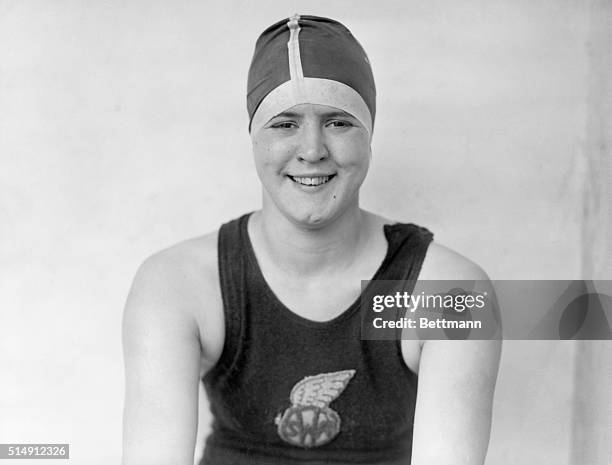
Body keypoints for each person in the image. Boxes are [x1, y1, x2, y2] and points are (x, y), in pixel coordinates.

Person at [121, 14, 501, 465]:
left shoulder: (451, 294)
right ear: (254, 141)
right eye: (284, 124)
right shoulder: (178, 283)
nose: (312, 149)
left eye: (339, 122)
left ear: (370, 137)